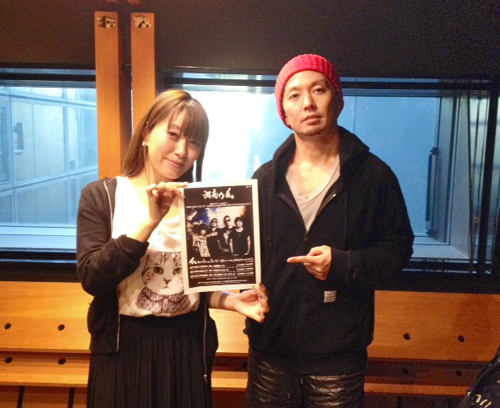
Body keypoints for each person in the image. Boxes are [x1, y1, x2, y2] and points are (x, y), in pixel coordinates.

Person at [76, 89, 269, 408]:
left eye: (194, 142)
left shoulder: (202, 205)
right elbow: (92, 278)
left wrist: (232, 301)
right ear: (146, 132)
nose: (182, 151)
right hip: (123, 349)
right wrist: (150, 220)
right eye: (173, 134)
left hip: (186, 347)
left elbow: (192, 286)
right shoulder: (103, 196)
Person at [245, 54, 414, 408]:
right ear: (284, 112)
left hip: (338, 358)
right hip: (270, 351)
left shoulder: (373, 176)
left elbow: (398, 249)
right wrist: (244, 286)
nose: (307, 103)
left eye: (318, 90)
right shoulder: (264, 180)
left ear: (337, 99)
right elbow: (247, 253)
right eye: (294, 95)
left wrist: (344, 264)